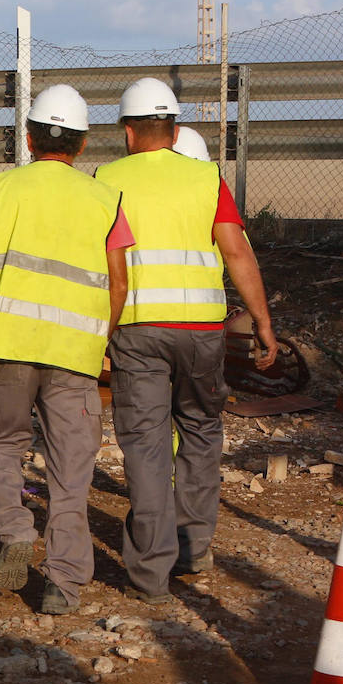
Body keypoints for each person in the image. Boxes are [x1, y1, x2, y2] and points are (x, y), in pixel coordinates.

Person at [94, 77, 279, 605]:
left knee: (146, 446)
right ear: (175, 130)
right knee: (199, 432)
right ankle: (194, 549)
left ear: (128, 131)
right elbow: (237, 253)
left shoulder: (107, 179)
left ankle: (150, 573)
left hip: (136, 329)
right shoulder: (206, 178)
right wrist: (263, 321)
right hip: (201, 330)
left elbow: (99, 257)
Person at [0, 85, 131, 614]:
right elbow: (118, 284)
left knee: (2, 445)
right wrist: (100, 338)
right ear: (80, 145)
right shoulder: (105, 199)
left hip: (5, 345)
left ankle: (12, 530)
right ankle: (63, 582)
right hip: (74, 353)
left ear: (28, 138)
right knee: (70, 469)